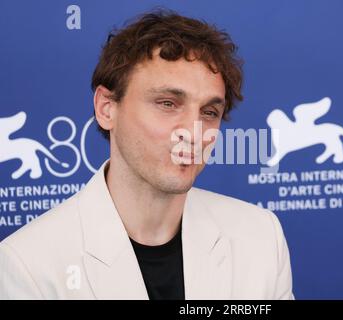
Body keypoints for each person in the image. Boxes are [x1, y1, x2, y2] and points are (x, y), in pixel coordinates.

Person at [0, 9, 294, 300]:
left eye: (209, 112)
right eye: (167, 103)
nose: (193, 133)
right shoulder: (28, 265)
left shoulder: (261, 237)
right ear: (106, 108)